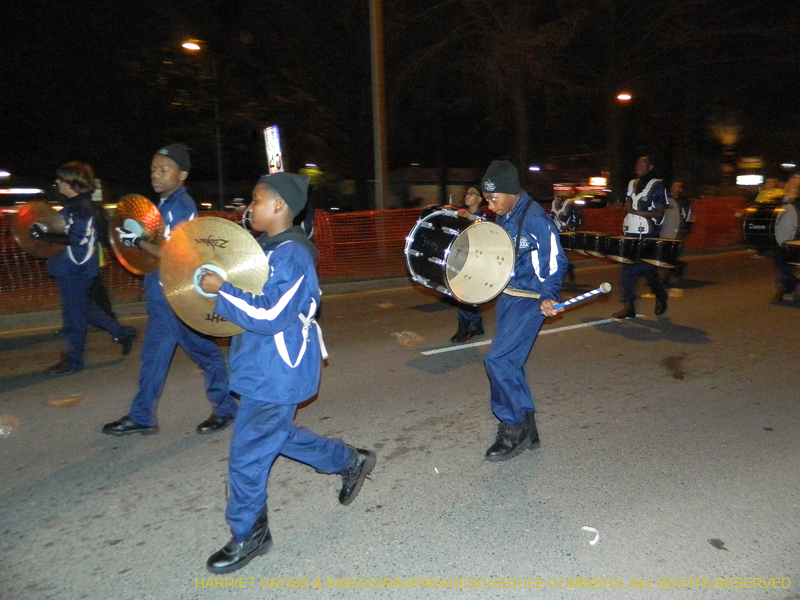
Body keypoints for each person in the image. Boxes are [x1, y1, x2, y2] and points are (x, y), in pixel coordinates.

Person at [199, 172, 376, 573]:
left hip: (276, 371)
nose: (249, 207)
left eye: (256, 199)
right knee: (277, 435)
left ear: (279, 206)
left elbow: (270, 313)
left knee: (246, 455)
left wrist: (222, 290)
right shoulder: (267, 247)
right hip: (262, 367)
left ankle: (250, 533)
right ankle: (349, 460)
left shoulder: (291, 255)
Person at [102, 143, 238, 435]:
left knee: (193, 354)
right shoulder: (163, 205)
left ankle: (219, 409)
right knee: (177, 354)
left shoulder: (180, 205)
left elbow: (175, 253)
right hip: (164, 295)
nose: (156, 175)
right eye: (153, 169)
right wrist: (136, 237)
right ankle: (147, 415)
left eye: (165, 169)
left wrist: (137, 242)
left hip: (174, 297)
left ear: (182, 175)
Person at [480, 160, 567, 462]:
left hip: (530, 300)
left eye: (493, 199)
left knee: (498, 359)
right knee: (511, 363)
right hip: (508, 298)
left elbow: (557, 261)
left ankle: (513, 427)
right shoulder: (506, 216)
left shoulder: (534, 218)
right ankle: (529, 429)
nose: (490, 206)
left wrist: (549, 294)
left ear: (509, 192)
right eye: (487, 200)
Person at [30, 162, 136, 375]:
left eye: (61, 179)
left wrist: (45, 236)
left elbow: (78, 238)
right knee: (85, 309)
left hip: (75, 268)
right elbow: (65, 230)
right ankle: (123, 333)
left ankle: (73, 360)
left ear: (71, 182)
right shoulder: (73, 204)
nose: (58, 182)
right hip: (70, 266)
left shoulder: (82, 207)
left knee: (73, 316)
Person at [611, 156, 669, 319]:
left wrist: (636, 212)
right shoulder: (632, 184)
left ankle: (660, 294)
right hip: (630, 231)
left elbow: (659, 212)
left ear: (651, 167)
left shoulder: (657, 185)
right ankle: (628, 306)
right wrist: (623, 207)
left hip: (648, 233)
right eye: (637, 162)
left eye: (643, 163)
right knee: (627, 268)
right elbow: (628, 207)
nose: (639, 165)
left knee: (647, 269)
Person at [450, 184, 487, 343]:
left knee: (464, 295)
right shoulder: (459, 214)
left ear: (479, 199)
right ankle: (477, 324)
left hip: (474, 262)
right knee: (464, 294)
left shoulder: (481, 218)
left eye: (473, 194)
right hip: (460, 259)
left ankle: (464, 328)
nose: (467, 196)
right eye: (467, 193)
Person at [770, 171, 800, 303]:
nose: (795, 180)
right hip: (783, 235)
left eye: (798, 178)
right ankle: (787, 284)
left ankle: (784, 287)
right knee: (781, 259)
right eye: (794, 177)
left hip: (797, 234)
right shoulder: (780, 198)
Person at [550, 189, 582, 283]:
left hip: (566, 234)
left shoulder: (573, 205)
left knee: (560, 254)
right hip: (555, 232)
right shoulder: (555, 203)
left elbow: (578, 221)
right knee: (555, 254)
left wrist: (567, 227)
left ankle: (565, 270)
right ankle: (566, 269)